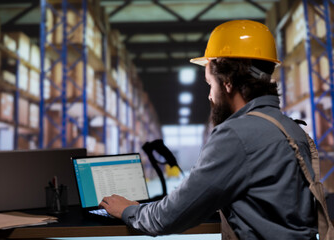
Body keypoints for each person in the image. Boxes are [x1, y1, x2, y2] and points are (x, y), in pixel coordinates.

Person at [99, 20, 318, 239]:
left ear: (228, 81)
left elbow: (168, 217)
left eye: (210, 84)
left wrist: (128, 210)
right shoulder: (291, 129)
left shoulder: (236, 134)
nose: (209, 96)